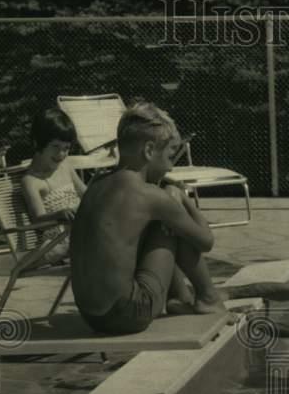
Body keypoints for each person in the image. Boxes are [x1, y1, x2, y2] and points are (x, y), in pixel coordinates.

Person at [70, 101, 228, 335]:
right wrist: (180, 198)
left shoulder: (97, 184)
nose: (170, 168)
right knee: (170, 223)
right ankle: (208, 298)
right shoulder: (149, 195)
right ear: (149, 150)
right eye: (170, 156)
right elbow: (205, 241)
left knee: (160, 221)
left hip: (91, 316)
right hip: (127, 315)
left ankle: (180, 298)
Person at [20, 108, 87, 266]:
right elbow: (38, 218)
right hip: (57, 240)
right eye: (56, 147)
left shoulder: (66, 167)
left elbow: (87, 194)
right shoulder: (31, 181)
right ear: (38, 143)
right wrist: (60, 214)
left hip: (80, 231)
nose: (62, 154)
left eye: (66, 148)